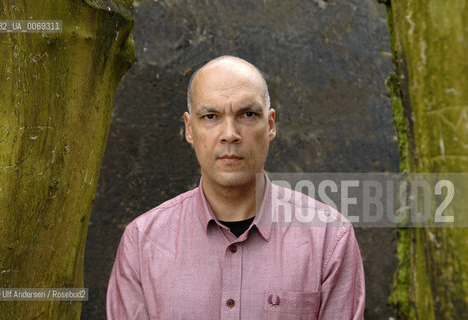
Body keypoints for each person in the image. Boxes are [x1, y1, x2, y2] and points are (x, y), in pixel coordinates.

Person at [106, 56, 365, 319]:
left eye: (248, 114)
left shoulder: (329, 239)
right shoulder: (142, 242)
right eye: (211, 116)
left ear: (270, 125)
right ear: (189, 129)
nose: (230, 133)